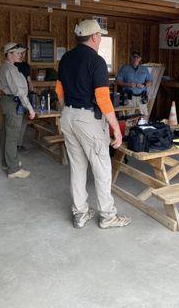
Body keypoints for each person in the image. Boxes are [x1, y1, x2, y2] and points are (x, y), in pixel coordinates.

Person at [56, 19, 131, 229]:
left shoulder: (66, 59)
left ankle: (80, 213)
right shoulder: (96, 61)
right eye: (100, 36)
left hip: (68, 116)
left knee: (78, 167)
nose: (100, 39)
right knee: (102, 168)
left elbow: (59, 91)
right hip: (88, 120)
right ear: (95, 37)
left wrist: (67, 111)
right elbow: (103, 99)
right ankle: (107, 216)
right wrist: (116, 127)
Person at [0, 42, 36, 179]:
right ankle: (13, 169)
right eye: (17, 53)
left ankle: (7, 163)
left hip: (8, 101)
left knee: (7, 134)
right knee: (12, 137)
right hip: (13, 103)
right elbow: (19, 91)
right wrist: (30, 109)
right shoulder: (10, 69)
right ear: (9, 54)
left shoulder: (7, 67)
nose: (20, 55)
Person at [116, 51, 153, 121]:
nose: (136, 59)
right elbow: (118, 81)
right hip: (129, 97)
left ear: (140, 59)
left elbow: (150, 81)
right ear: (131, 58)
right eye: (134, 57)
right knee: (129, 118)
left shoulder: (144, 69)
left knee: (144, 118)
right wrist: (127, 84)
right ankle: (129, 131)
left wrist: (144, 84)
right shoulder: (125, 69)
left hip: (142, 98)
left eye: (137, 57)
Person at [15, 47, 34, 151]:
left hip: (26, 95)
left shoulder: (26, 65)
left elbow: (28, 79)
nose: (22, 55)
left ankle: (19, 144)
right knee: (17, 120)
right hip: (17, 97)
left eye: (24, 53)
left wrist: (31, 88)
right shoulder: (12, 66)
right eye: (20, 53)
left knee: (24, 121)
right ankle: (14, 145)